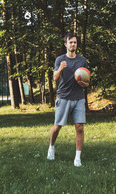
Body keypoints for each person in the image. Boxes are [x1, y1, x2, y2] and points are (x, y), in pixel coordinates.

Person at [47, 33, 89, 167]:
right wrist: (60, 68)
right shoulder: (60, 59)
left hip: (78, 98)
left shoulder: (82, 61)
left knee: (80, 127)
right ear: (66, 44)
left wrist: (84, 84)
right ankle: (51, 148)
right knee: (57, 127)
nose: (73, 45)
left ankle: (77, 158)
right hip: (63, 97)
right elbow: (55, 78)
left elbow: (86, 81)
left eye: (75, 42)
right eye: (70, 42)